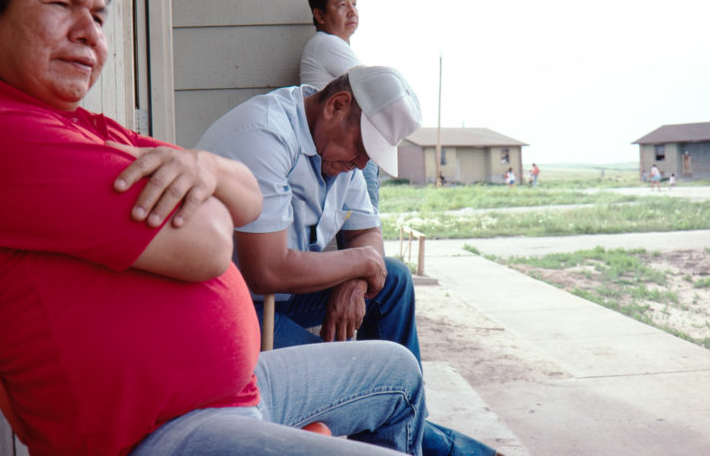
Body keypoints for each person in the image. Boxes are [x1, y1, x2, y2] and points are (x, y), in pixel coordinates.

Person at [0, 0, 440, 456]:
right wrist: (217, 188)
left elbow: (249, 200)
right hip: (159, 432)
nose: (89, 35)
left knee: (397, 372)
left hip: (229, 393)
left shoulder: (87, 128)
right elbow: (212, 244)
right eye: (62, 5)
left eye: (100, 18)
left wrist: (206, 171)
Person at [198, 67, 499, 456]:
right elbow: (265, 270)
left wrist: (356, 277)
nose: (360, 164)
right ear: (337, 106)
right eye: (362, 147)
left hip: (280, 297)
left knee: (393, 280)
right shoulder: (265, 134)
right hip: (228, 308)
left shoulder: (338, 151)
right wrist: (360, 262)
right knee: (370, 382)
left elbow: (368, 239)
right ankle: (444, 445)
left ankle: (400, 429)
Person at [300, 0, 382, 213]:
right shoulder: (326, 43)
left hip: (335, 150)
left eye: (354, 4)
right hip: (348, 148)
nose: (352, 12)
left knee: (355, 222)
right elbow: (375, 88)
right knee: (365, 222)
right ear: (320, 15)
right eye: (341, 5)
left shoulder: (331, 47)